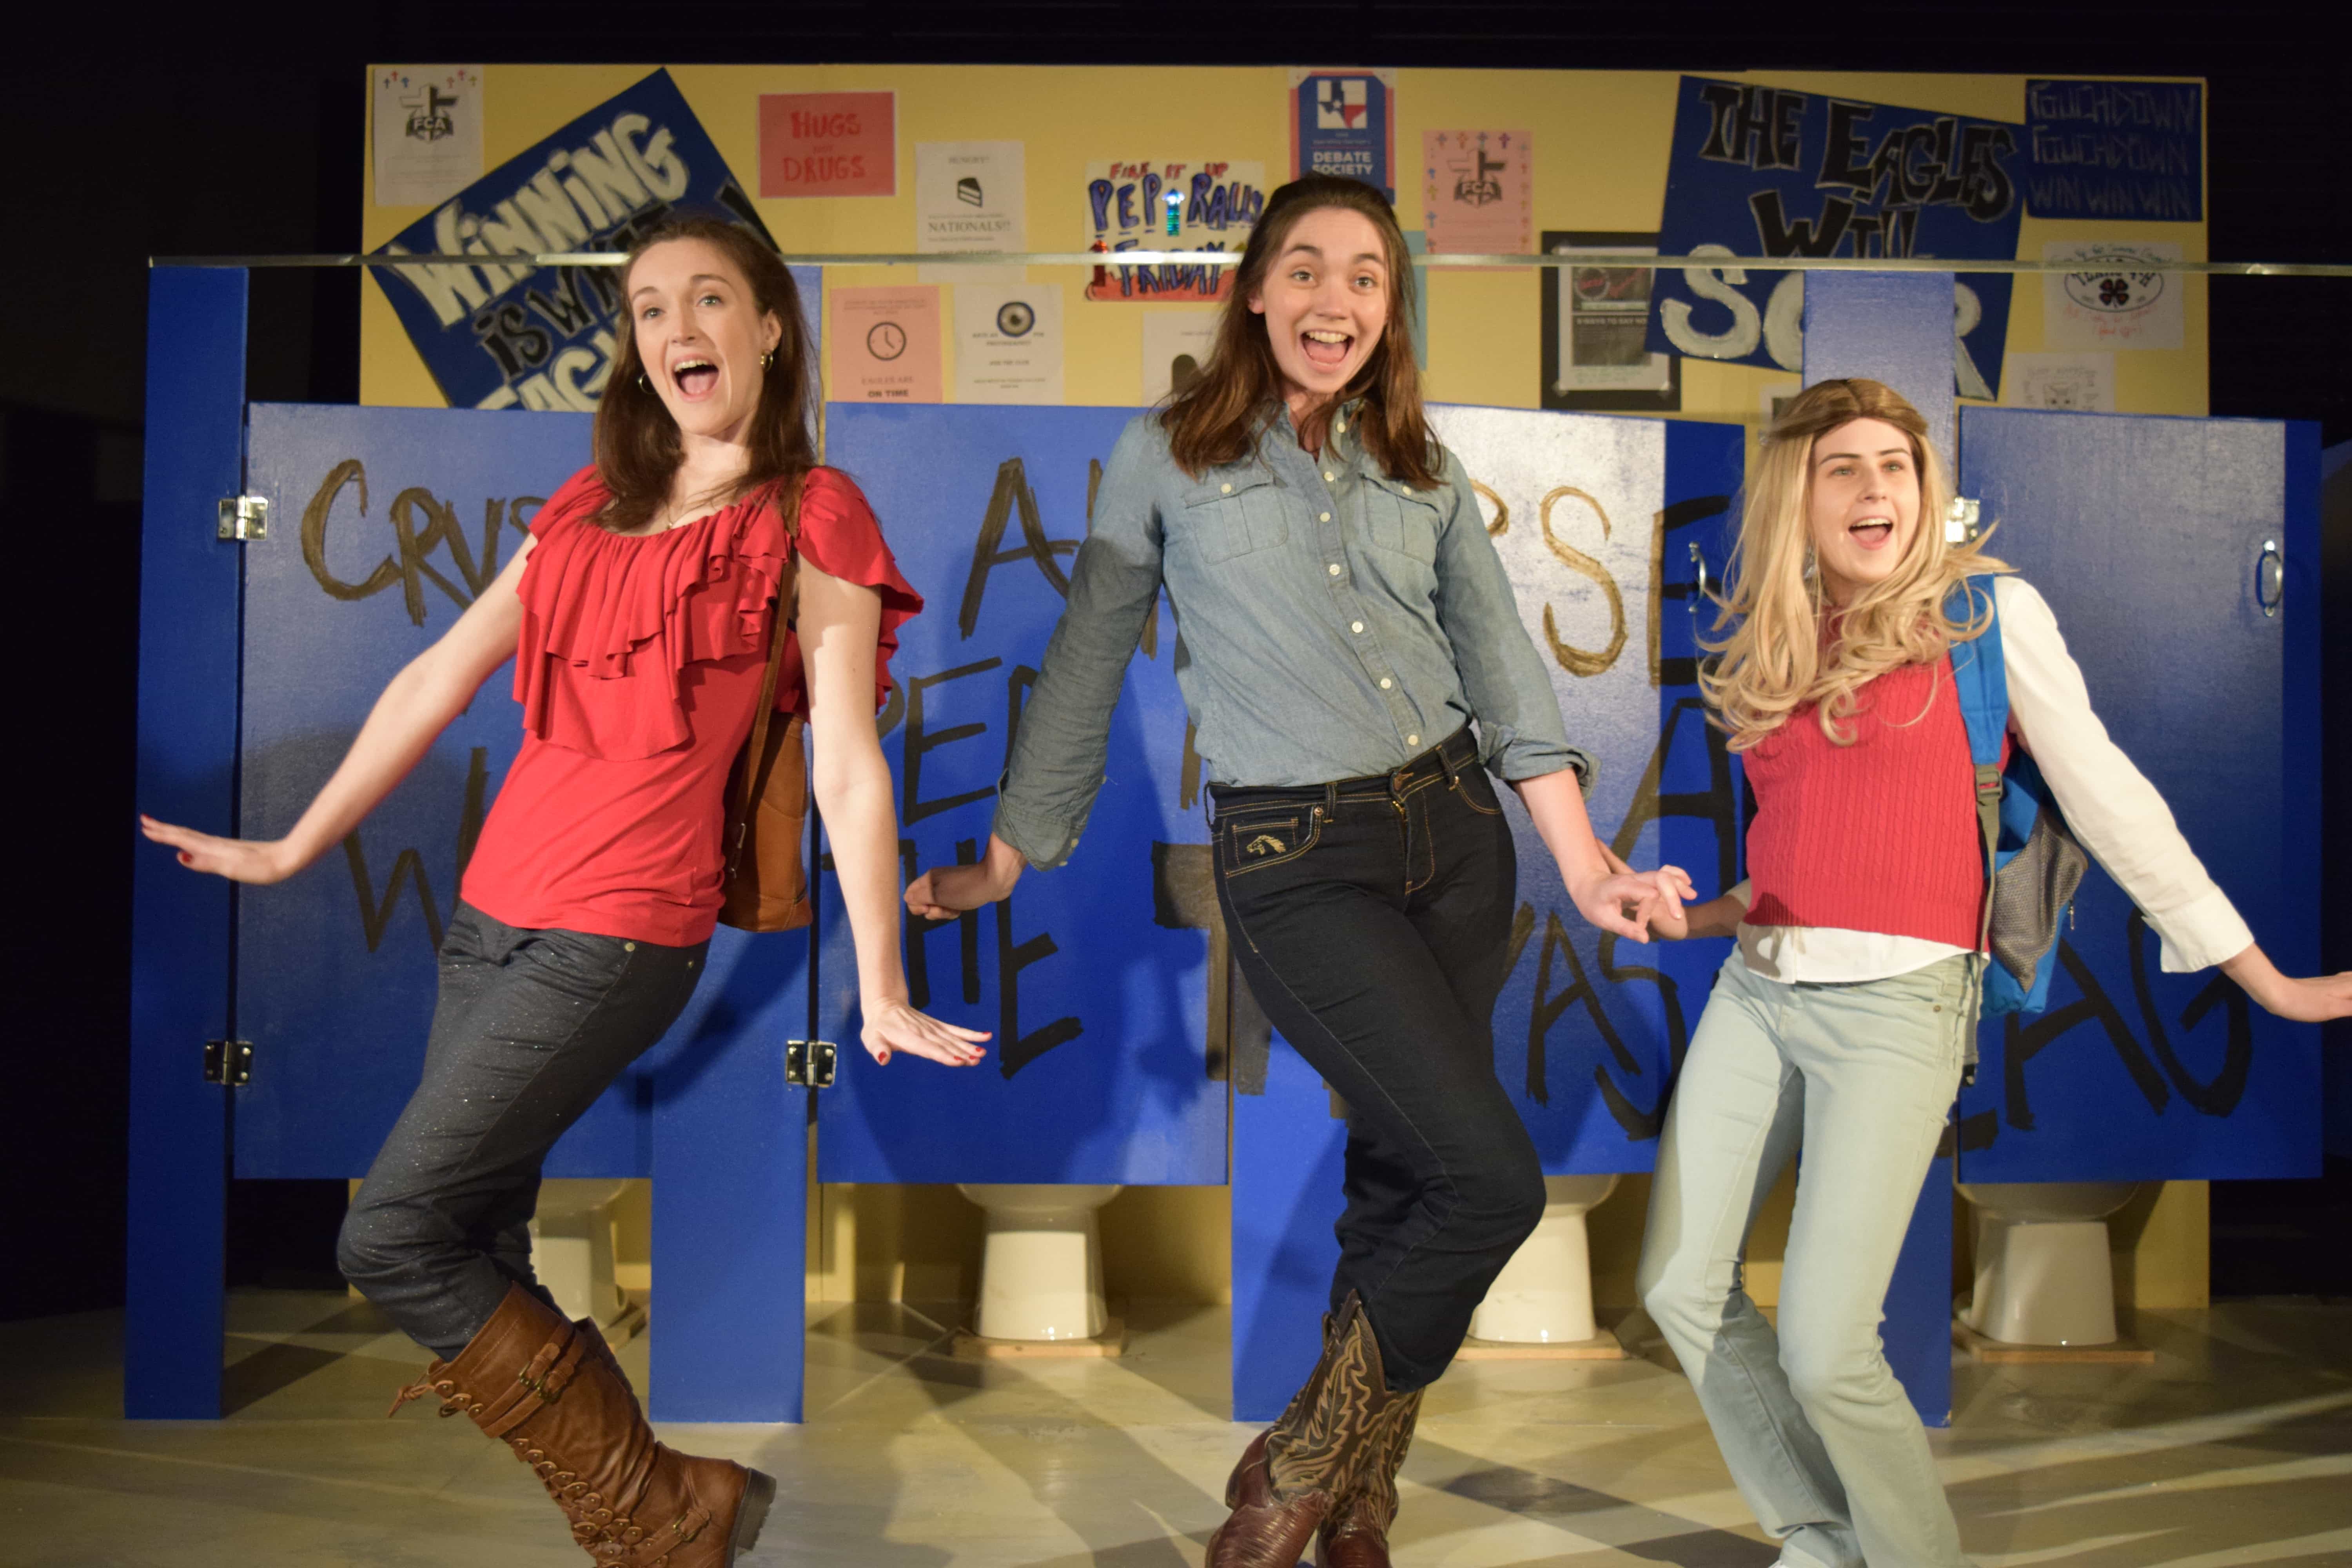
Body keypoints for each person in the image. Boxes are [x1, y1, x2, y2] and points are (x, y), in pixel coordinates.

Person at [142, 214, 987, 1567]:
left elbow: (844, 758)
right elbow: (439, 674)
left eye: (711, 299)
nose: (678, 328)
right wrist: (297, 845)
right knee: (475, 1231)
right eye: (651, 307)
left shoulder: (807, 510)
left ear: (771, 326)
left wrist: (881, 975)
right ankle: (648, 1517)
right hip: (489, 912)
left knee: (391, 1233)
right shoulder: (585, 504)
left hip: (620, 927)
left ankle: (660, 1510)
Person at [906, 172, 1691, 1568]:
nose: (1337, 300)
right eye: (1310, 270)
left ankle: (1358, 1494)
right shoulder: (1165, 457)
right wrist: (1008, 861)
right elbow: (1091, 654)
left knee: (1405, 1176)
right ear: (1257, 290)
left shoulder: (1422, 466)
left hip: (1457, 839)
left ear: (1392, 311)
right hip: (1293, 854)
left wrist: (1580, 862)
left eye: (1368, 279)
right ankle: (1302, 1465)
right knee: (1490, 1181)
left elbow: (1504, 670)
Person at [1634, 377, 2352, 1568]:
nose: (1877, 490)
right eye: (1844, 468)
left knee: (1826, 1343)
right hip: (1758, 992)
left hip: (1901, 1011)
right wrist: (1688, 915)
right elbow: (1789, 866)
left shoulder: (1985, 615)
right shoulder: (1780, 632)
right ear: (1794, 496)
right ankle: (1820, 1537)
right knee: (1680, 1287)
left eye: (1897, 467)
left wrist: (2266, 979)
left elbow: (2113, 800)